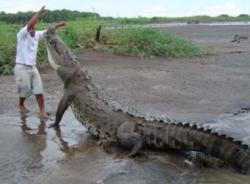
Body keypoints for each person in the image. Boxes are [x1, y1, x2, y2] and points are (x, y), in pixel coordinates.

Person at [14, 5, 65, 119]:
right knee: (25, 90)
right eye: (31, 28)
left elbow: (49, 30)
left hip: (33, 67)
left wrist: (59, 25)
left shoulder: (36, 35)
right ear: (27, 29)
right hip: (21, 67)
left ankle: (42, 111)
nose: (33, 29)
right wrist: (39, 13)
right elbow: (30, 23)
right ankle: (21, 104)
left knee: (39, 90)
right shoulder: (21, 35)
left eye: (34, 28)